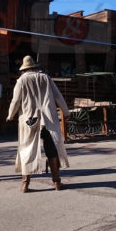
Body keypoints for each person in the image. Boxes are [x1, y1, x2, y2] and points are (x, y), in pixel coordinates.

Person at [7, 55, 70, 193]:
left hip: (29, 119)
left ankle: (25, 184)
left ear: (24, 69)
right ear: (34, 67)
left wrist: (10, 115)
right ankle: (57, 182)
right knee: (51, 149)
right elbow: (58, 96)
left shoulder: (21, 81)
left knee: (26, 150)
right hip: (48, 119)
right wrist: (66, 112)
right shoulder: (45, 78)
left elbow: (16, 101)